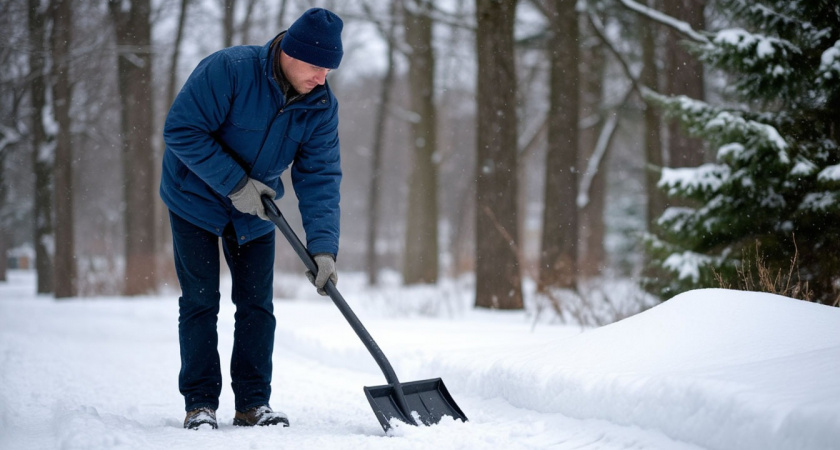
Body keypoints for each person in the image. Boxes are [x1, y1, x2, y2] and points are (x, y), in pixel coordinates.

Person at [160, 8, 343, 430]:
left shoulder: (320, 106)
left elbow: (320, 177)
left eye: (330, 69)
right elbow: (181, 130)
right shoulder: (230, 70)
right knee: (202, 301)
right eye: (316, 66)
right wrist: (236, 184)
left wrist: (323, 248)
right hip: (195, 200)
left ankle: (253, 403)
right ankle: (201, 403)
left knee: (258, 305)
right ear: (290, 53)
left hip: (258, 211)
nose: (322, 77)